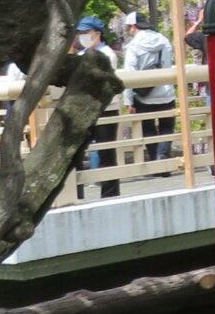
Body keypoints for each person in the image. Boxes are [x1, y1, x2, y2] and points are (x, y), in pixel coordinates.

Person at [117, 11, 178, 171]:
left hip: (144, 95)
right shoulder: (163, 40)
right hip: (166, 92)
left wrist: (128, 101)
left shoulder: (133, 46)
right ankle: (163, 158)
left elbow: (130, 74)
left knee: (148, 128)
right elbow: (168, 64)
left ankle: (156, 164)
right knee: (167, 128)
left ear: (133, 26)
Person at [73, 16, 119, 197]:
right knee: (76, 151)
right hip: (83, 109)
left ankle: (110, 193)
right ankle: (77, 193)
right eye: (80, 33)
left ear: (98, 34)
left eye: (86, 32)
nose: (82, 36)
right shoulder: (79, 55)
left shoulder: (108, 54)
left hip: (105, 109)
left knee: (106, 151)